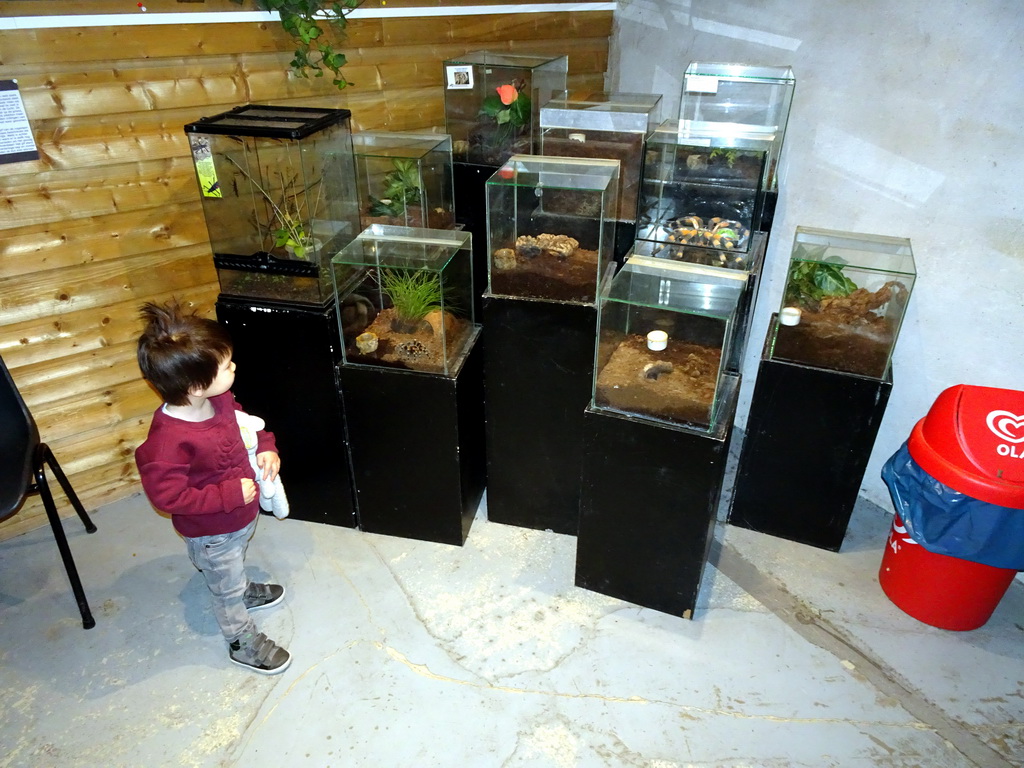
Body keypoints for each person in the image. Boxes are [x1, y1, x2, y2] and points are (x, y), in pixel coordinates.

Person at [134, 301, 291, 675]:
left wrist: (267, 448)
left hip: (240, 517)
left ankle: (238, 582)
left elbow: (249, 429)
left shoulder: (219, 400)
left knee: (233, 564)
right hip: (211, 532)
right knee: (225, 587)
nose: (234, 368)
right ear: (195, 385)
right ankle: (241, 640)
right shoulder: (166, 443)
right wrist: (228, 496)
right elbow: (167, 497)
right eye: (226, 366)